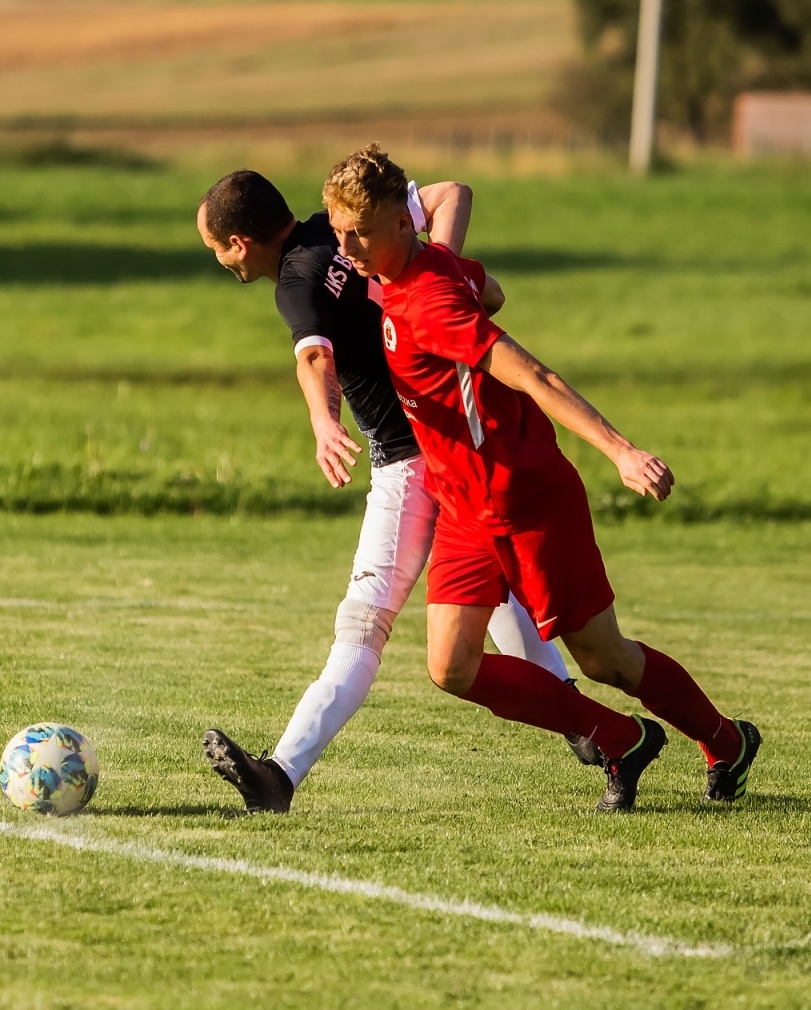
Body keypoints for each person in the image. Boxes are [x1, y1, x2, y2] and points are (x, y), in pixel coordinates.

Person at [321, 144, 761, 810]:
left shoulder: (431, 300)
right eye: (338, 230)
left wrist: (621, 451)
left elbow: (534, 375)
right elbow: (490, 287)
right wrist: (462, 288)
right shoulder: (424, 270)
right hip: (466, 507)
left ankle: (728, 742)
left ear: (401, 225)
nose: (346, 245)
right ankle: (621, 739)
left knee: (603, 658)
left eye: (359, 231)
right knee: (451, 667)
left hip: (527, 498)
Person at [194, 169, 590, 814]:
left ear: (240, 243)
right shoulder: (342, 227)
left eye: (214, 248)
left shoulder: (296, 281)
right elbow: (449, 193)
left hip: (410, 462)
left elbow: (315, 357)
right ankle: (590, 728)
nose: (218, 260)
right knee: (497, 598)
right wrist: (447, 267)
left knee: (367, 621)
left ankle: (281, 776)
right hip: (463, 445)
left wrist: (324, 422)